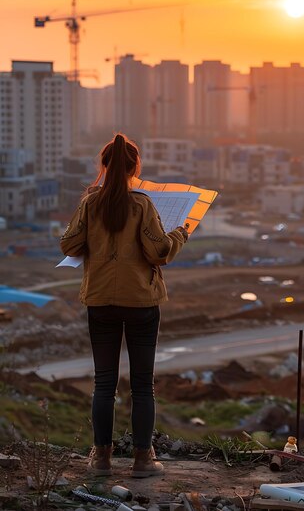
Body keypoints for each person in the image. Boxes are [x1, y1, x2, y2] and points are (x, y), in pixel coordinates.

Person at [60, 133, 188, 478]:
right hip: (141, 303)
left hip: (100, 300)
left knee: (104, 383)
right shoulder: (143, 204)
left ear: (104, 166)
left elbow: (69, 244)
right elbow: (158, 252)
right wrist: (181, 233)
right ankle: (143, 460)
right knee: (142, 385)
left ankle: (101, 459)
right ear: (135, 167)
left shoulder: (90, 203)